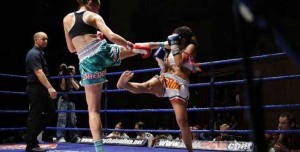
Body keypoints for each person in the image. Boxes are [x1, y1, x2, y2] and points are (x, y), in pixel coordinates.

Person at [62, 0, 151, 151]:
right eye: (98, 6)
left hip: (86, 61)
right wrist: (128, 44)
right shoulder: (92, 16)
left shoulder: (66, 19)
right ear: (90, 2)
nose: (98, 9)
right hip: (101, 51)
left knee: (93, 111)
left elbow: (71, 48)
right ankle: (162, 45)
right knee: (135, 48)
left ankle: (99, 150)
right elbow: (111, 36)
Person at [117, 26, 201, 152]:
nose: (173, 40)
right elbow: (167, 68)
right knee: (146, 86)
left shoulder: (190, 46)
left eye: (176, 38)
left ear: (182, 39)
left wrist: (174, 45)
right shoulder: (172, 49)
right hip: (166, 77)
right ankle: (124, 84)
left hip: (179, 83)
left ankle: (190, 151)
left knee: (182, 121)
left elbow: (179, 63)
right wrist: (161, 62)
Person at [24, 32, 57, 152]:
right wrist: (50, 87)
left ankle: (29, 136)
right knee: (35, 116)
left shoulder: (39, 53)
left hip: (40, 89)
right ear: (36, 40)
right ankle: (31, 145)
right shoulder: (33, 54)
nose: (46, 41)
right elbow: (39, 72)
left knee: (50, 112)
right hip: (36, 88)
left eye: (47, 39)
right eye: (43, 39)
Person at [56, 64, 81, 143]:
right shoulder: (62, 77)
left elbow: (77, 87)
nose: (71, 70)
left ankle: (74, 137)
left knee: (72, 120)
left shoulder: (75, 79)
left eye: (72, 69)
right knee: (62, 118)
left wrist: (71, 78)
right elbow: (63, 88)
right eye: (69, 69)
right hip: (63, 99)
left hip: (71, 101)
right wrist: (64, 76)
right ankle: (60, 137)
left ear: (74, 71)